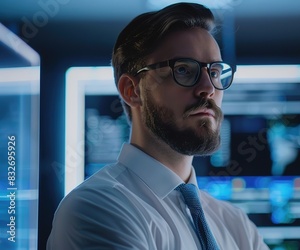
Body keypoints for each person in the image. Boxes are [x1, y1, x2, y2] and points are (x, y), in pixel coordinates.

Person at [47, 2, 269, 249]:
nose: (208, 88)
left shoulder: (236, 225)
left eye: (215, 72)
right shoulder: (97, 207)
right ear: (132, 91)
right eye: (184, 70)